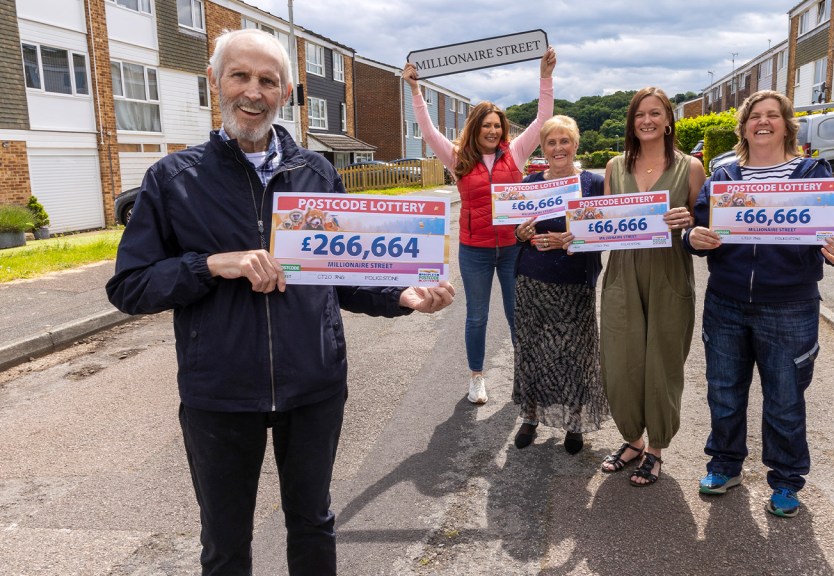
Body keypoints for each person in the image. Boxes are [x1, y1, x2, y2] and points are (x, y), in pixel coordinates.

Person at [105, 29, 455, 575]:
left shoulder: (316, 173)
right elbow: (129, 287)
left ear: (286, 92)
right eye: (240, 76)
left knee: (313, 525)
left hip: (313, 387)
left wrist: (401, 295)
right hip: (219, 393)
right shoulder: (173, 180)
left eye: (268, 81)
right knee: (225, 544)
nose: (253, 91)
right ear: (214, 82)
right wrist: (211, 264)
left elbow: (344, 273)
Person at [684, 90, 834, 518]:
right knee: (723, 393)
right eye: (755, 116)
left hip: (790, 305)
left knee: (785, 399)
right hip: (725, 302)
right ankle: (724, 465)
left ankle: (785, 481)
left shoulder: (813, 173)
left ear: (786, 125)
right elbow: (702, 231)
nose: (763, 122)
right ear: (743, 127)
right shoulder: (723, 175)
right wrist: (693, 238)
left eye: (772, 116)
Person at [402, 48, 556, 405]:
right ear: (476, 128)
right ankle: (476, 377)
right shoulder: (458, 159)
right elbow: (427, 131)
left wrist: (545, 76)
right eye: (485, 125)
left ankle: (526, 376)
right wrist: (414, 91)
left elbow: (542, 117)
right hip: (475, 252)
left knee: (519, 315)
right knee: (476, 317)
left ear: (503, 129)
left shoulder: (516, 153)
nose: (492, 130)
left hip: (514, 249)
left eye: (496, 125)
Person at [597, 87, 705, 487]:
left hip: (668, 273)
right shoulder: (613, 166)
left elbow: (705, 226)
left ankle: (656, 449)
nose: (647, 120)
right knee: (622, 361)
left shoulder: (690, 167)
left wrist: (688, 220)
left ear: (668, 119)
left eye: (655, 113)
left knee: (662, 362)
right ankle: (632, 441)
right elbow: (602, 225)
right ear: (632, 121)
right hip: (623, 273)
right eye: (640, 114)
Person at [511, 115, 609, 454]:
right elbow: (516, 230)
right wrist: (520, 234)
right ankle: (530, 416)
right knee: (533, 350)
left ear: (576, 144)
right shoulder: (530, 183)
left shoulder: (594, 184)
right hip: (532, 278)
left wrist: (574, 239)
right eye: (551, 142)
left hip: (574, 281)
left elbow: (606, 233)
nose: (558, 148)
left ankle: (575, 422)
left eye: (564, 141)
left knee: (575, 354)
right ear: (543, 147)